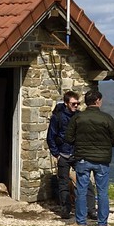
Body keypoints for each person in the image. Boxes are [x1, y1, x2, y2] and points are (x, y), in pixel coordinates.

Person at [68, 89, 114, 226]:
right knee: (102, 192)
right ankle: (102, 223)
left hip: (83, 159)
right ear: (98, 101)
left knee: (82, 190)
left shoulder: (78, 118)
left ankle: (80, 222)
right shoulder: (107, 118)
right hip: (102, 160)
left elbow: (69, 138)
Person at [45, 90, 79, 219]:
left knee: (84, 181)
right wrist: (56, 153)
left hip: (77, 153)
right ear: (66, 103)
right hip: (64, 154)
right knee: (63, 183)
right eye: (73, 103)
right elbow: (51, 136)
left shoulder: (79, 116)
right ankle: (65, 209)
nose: (76, 106)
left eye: (77, 103)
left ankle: (88, 208)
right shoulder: (57, 117)